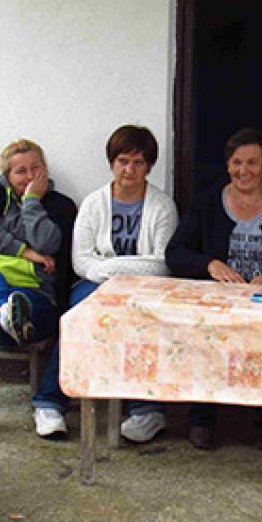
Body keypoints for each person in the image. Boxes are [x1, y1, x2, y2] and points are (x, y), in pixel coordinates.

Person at [166, 127, 262, 450]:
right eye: (236, 163)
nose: (243, 171)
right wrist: (209, 265)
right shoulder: (207, 203)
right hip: (219, 302)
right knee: (206, 333)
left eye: (252, 163)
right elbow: (175, 253)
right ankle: (201, 418)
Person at [70, 125, 179, 443]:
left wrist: (111, 267)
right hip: (96, 284)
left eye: (138, 163)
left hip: (146, 288)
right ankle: (52, 400)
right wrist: (111, 275)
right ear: (111, 162)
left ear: (149, 166)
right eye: (122, 161)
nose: (129, 170)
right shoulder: (93, 204)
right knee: (80, 313)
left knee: (143, 321)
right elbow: (81, 261)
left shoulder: (162, 206)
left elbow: (161, 264)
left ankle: (147, 409)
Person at [0, 139, 77, 439]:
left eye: (35, 169)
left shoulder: (60, 206)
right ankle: (2, 309)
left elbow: (49, 241)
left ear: (45, 170)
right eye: (20, 172)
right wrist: (26, 252)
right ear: (6, 177)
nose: (28, 177)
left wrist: (31, 202)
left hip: (36, 301)